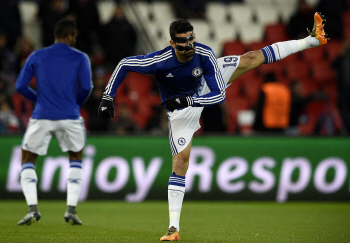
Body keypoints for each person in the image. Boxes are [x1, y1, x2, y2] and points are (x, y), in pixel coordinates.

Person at [98, 12, 328, 241]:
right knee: (180, 163)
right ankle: (173, 229)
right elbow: (125, 64)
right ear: (172, 43)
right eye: (183, 41)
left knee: (251, 57)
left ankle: (313, 40)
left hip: (201, 92)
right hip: (180, 112)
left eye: (191, 39)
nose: (189, 45)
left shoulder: (204, 54)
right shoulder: (160, 61)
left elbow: (218, 95)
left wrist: (190, 99)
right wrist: (108, 96)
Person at [16, 19, 93, 226]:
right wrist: (72, 104)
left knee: (27, 159)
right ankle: (71, 210)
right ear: (69, 36)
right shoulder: (80, 57)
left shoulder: (37, 56)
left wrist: (39, 100)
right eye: (73, 37)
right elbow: (86, 87)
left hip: (42, 116)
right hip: (70, 116)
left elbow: (20, 86)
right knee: (75, 157)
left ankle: (32, 209)